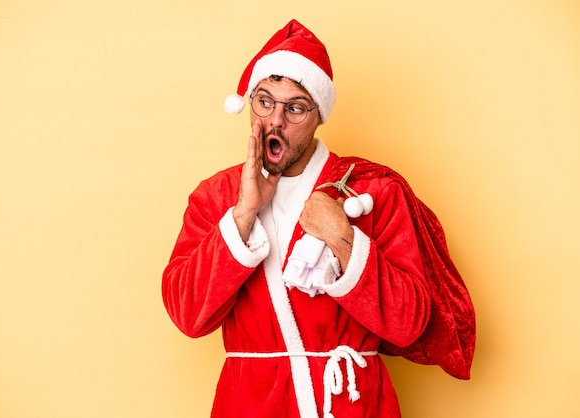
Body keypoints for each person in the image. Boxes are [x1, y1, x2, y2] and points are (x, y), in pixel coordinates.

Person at [162, 19, 475, 418]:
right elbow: (188, 315)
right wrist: (243, 214)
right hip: (250, 405)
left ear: (318, 115)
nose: (275, 121)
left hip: (352, 403)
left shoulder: (373, 192)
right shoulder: (216, 197)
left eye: (294, 108)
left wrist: (343, 239)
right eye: (264, 102)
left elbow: (409, 323)